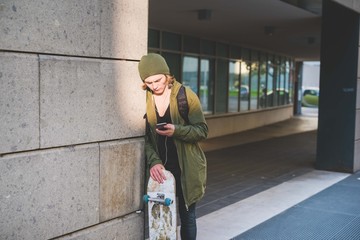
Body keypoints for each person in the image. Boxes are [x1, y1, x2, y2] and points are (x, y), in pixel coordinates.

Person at [138, 53, 208, 240]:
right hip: (161, 170)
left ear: (167, 75)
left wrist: (176, 130)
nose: (155, 86)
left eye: (158, 80)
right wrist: (154, 161)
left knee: (187, 218)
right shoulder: (144, 100)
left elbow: (202, 130)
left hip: (187, 169)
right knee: (161, 219)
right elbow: (143, 138)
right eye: (149, 82)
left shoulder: (185, 95)